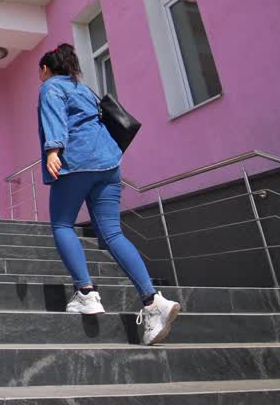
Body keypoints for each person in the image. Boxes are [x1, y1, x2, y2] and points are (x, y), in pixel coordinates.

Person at [37, 43, 181, 345]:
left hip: (76, 163)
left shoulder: (51, 86)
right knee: (113, 234)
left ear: (46, 69)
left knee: (62, 224)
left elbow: (55, 121)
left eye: (41, 72)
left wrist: (52, 151)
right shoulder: (83, 88)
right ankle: (153, 301)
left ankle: (86, 294)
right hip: (109, 163)